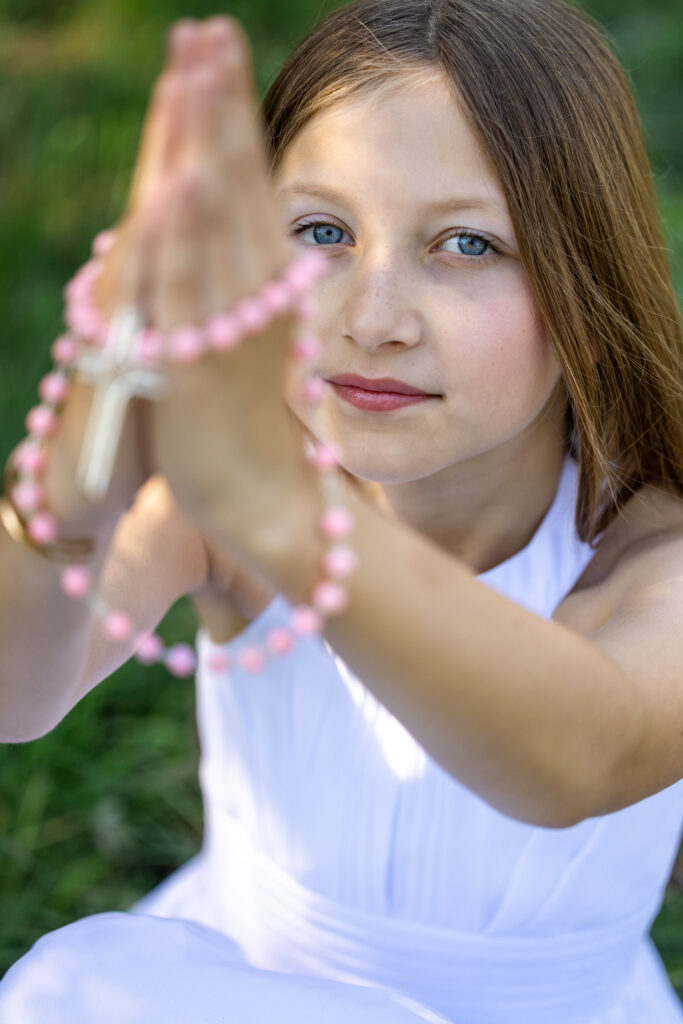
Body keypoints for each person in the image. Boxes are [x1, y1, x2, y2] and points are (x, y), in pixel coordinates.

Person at [0, 1, 682, 1021]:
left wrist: (278, 509)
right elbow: (15, 694)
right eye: (320, 231)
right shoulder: (210, 505)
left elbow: (575, 752)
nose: (371, 321)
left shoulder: (648, 547)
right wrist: (68, 500)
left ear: (583, 272)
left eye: (463, 243)